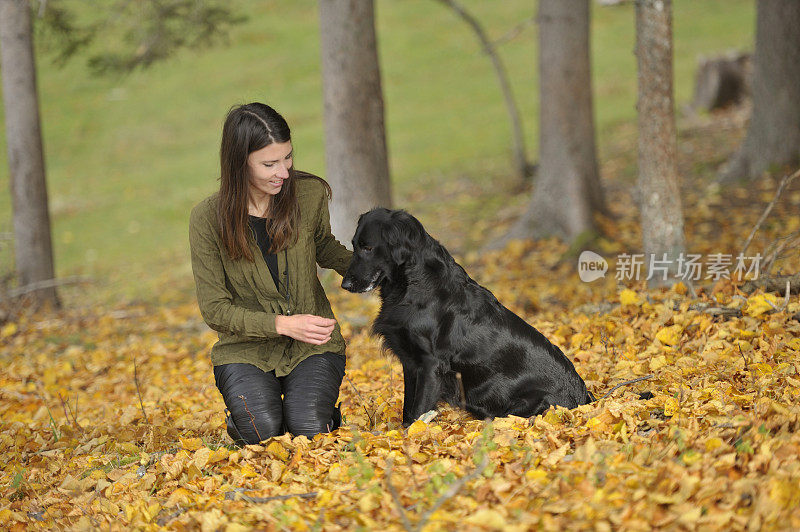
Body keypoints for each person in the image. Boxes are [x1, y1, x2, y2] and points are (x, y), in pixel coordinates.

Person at [189, 102, 353, 445]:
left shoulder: (308, 195)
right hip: (245, 350)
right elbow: (215, 310)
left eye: (288, 158)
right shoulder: (207, 219)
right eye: (269, 164)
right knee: (263, 432)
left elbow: (322, 246)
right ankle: (243, 416)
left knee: (308, 429)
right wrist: (283, 325)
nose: (284, 172)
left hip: (312, 346)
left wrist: (375, 267)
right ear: (239, 163)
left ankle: (323, 412)